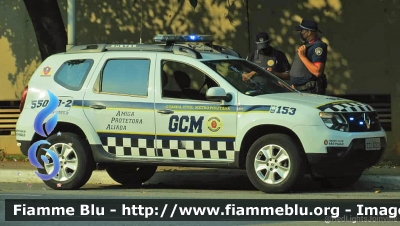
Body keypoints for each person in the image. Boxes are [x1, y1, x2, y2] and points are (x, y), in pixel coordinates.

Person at [290, 19, 328, 94]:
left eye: (302, 31)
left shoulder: (318, 46)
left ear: (309, 32)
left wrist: (303, 57)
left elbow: (317, 71)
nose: (301, 33)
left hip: (309, 91)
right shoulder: (307, 45)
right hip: (299, 90)